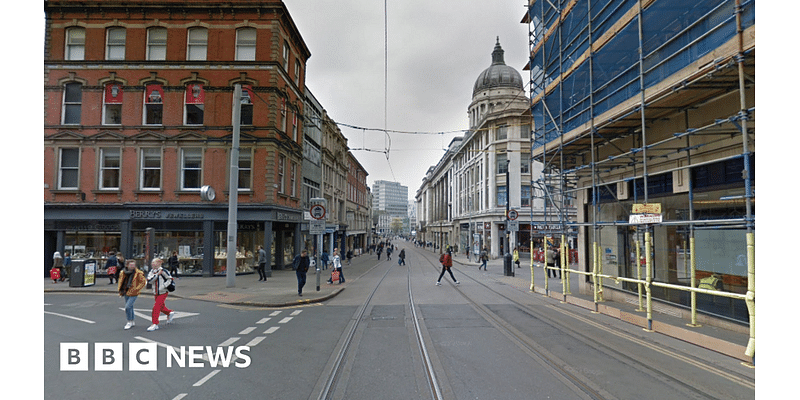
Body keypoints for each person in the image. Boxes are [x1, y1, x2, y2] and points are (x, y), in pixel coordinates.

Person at [145, 258, 175, 332]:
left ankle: (154, 324)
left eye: (154, 262)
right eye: (152, 262)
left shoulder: (164, 271)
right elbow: (150, 281)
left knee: (156, 307)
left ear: (159, 263)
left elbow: (170, 279)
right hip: (155, 292)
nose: (152, 264)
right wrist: (156, 275)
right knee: (161, 307)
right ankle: (169, 312)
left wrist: (164, 286)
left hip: (163, 292)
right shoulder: (152, 272)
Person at [118, 260, 146, 330]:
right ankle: (132, 321)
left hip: (133, 292)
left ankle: (129, 321)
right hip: (125, 291)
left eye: (134, 265)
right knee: (130, 307)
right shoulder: (123, 272)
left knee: (128, 307)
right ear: (127, 265)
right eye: (131, 265)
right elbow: (121, 281)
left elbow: (143, 282)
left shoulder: (138, 273)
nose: (133, 266)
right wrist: (120, 289)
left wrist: (136, 289)